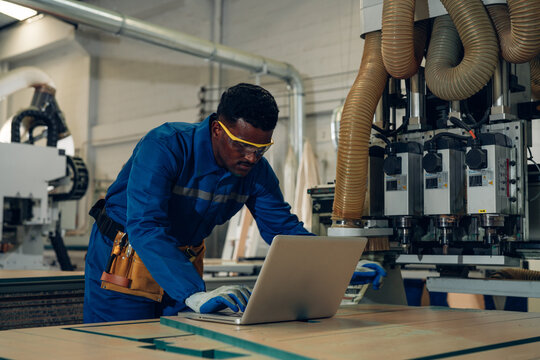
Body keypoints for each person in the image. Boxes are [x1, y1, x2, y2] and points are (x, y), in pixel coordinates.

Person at [83, 83, 385, 323]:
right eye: (241, 145)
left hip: (180, 264)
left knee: (178, 346)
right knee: (120, 347)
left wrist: (337, 266)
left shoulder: (256, 173)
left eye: (261, 148)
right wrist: (193, 293)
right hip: (122, 262)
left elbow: (283, 230)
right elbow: (146, 226)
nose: (251, 158)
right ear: (217, 129)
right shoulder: (165, 147)